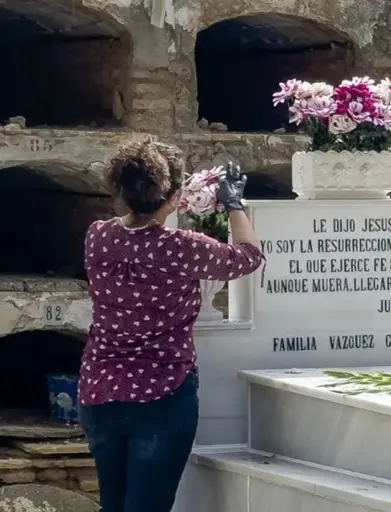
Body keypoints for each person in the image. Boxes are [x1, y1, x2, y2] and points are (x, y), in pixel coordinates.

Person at [78, 139, 263, 512]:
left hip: (100, 390)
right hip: (161, 392)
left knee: (112, 506)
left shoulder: (98, 235)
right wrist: (233, 204)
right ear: (175, 195)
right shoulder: (181, 247)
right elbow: (247, 257)